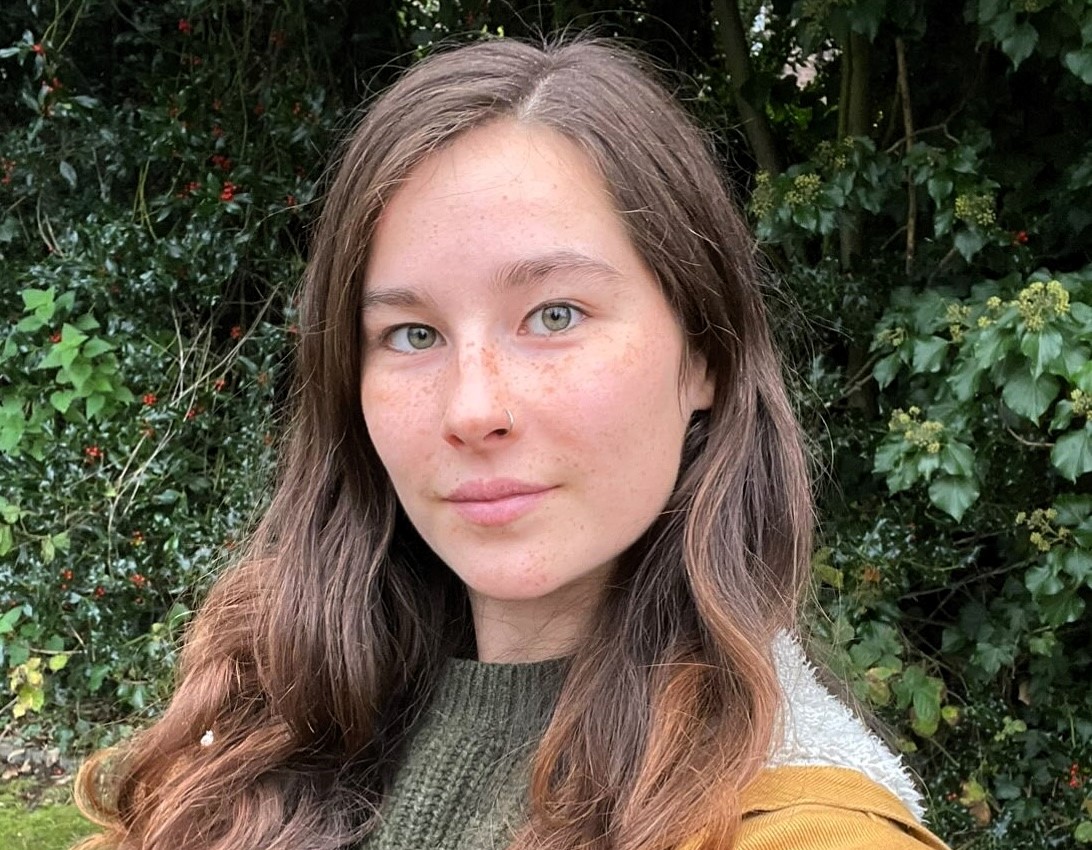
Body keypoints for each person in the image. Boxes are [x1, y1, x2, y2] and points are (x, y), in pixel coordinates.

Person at [75, 37, 950, 850]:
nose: (473, 406)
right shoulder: (267, 715)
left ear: (705, 357)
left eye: (554, 315)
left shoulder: (805, 823)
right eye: (412, 334)